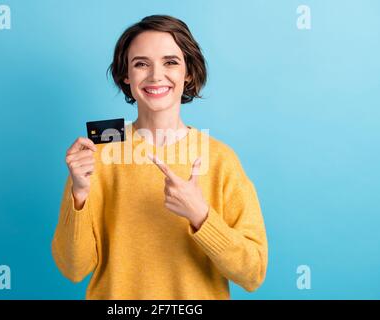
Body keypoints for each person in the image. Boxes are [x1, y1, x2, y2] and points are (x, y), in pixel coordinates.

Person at [52, 15, 268, 300]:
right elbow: (73, 269)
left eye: (171, 62)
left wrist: (200, 216)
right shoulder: (98, 152)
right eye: (141, 63)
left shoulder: (220, 159)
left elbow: (253, 274)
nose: (155, 76)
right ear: (126, 75)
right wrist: (79, 194)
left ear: (188, 72)